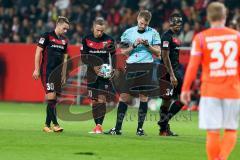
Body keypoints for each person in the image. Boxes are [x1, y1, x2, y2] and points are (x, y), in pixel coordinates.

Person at [180, 2, 240, 160]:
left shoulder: (200, 38)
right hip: (232, 91)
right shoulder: (237, 37)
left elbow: (192, 66)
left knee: (212, 131)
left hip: (210, 92)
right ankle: (222, 158)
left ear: (208, 17)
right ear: (225, 16)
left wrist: (186, 89)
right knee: (231, 130)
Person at [105, 10, 161, 136]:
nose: (143, 24)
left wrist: (148, 46)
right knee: (124, 96)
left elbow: (158, 52)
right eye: (142, 21)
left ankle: (139, 129)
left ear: (148, 22)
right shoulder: (128, 33)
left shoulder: (154, 33)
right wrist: (134, 45)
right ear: (138, 19)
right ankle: (117, 128)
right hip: (131, 67)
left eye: (146, 22)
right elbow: (124, 51)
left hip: (147, 66)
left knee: (144, 98)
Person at [33, 16, 70, 133]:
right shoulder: (46, 36)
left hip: (57, 74)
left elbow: (65, 59)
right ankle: (56, 124)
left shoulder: (64, 41)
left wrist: (64, 74)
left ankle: (46, 125)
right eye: (64, 28)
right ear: (58, 25)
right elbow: (38, 52)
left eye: (67, 29)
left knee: (53, 100)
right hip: (47, 72)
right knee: (51, 96)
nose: (66, 31)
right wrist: (36, 69)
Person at [81, 17, 116, 134]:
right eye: (98, 30)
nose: (100, 33)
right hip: (91, 74)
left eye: (102, 31)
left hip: (104, 75)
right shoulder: (86, 39)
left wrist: (113, 69)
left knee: (102, 99)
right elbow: (83, 57)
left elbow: (114, 55)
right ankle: (96, 126)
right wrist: (94, 66)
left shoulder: (109, 40)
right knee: (94, 101)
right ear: (93, 28)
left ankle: (99, 126)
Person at [158, 13, 184, 136]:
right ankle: (163, 129)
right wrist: (172, 75)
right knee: (167, 100)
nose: (178, 25)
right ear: (170, 23)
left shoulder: (175, 38)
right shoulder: (166, 37)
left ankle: (163, 122)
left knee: (180, 99)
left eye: (180, 23)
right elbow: (164, 56)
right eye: (176, 23)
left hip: (175, 71)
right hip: (167, 73)